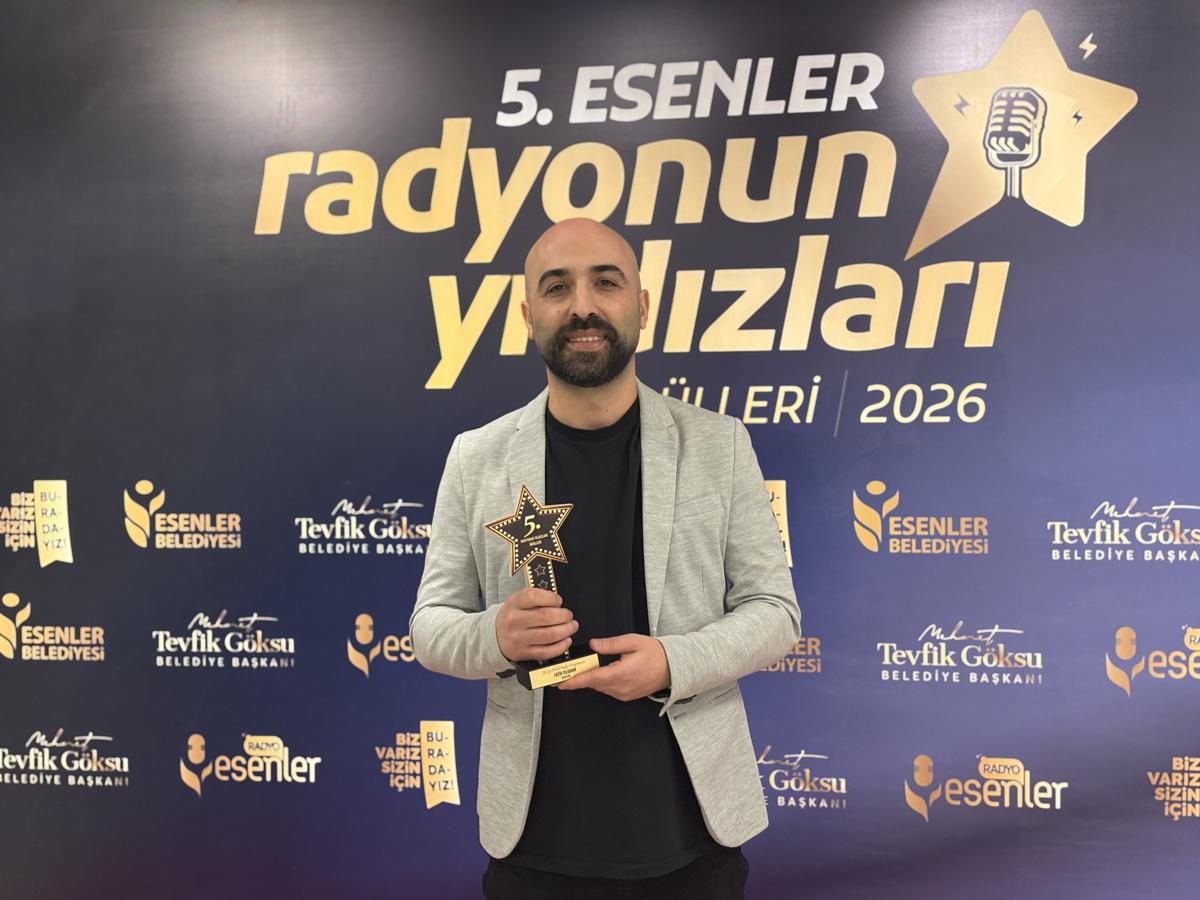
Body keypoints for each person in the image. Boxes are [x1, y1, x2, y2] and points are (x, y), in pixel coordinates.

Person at [410, 217, 801, 899]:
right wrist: (495, 634)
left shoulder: (720, 444)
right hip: (533, 848)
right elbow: (430, 627)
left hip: (692, 842)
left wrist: (673, 663)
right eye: (557, 288)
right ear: (528, 316)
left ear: (641, 306)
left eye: (606, 283)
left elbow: (775, 613)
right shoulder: (476, 458)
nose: (582, 306)